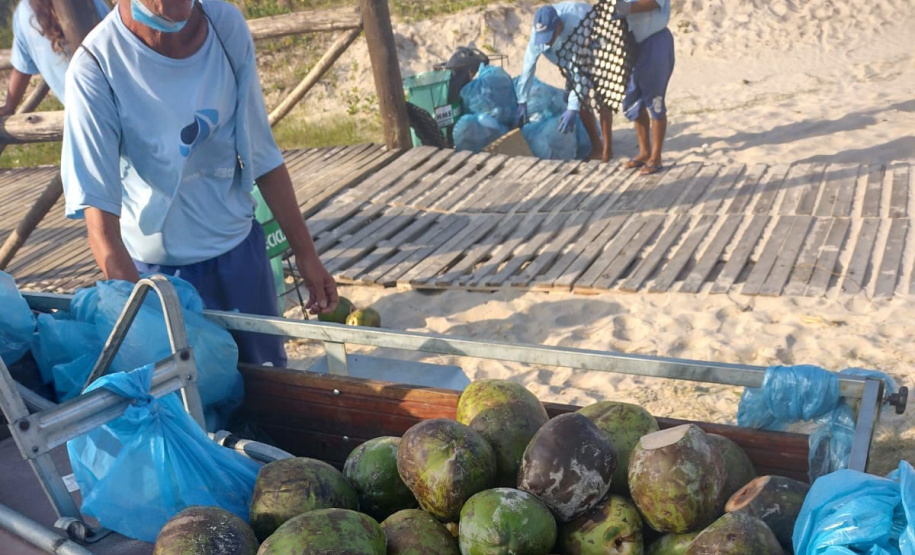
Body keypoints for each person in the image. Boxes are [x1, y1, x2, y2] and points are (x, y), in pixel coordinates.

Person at [60, 0, 338, 368]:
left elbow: (262, 154)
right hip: (161, 277)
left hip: (241, 256)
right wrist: (143, 322)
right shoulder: (95, 68)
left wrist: (306, 253)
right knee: (196, 408)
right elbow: (102, 231)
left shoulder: (225, 26)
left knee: (268, 393)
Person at [516, 2, 614, 162]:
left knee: (600, 96)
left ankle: (607, 150)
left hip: (598, 47)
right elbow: (528, 66)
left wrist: (572, 108)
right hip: (570, 57)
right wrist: (522, 100)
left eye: (549, 37)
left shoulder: (577, 24)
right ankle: (597, 146)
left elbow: (580, 72)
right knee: (580, 101)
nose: (546, 42)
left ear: (559, 25)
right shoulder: (539, 31)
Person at [1, 0, 111, 115]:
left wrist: (9, 106)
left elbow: (22, 69)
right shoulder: (91, 3)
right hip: (114, 105)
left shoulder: (23, 13)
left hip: (78, 117)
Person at [614, 0, 674, 175]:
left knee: (655, 100)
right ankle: (644, 151)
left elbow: (653, 3)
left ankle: (656, 156)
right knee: (633, 98)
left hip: (656, 42)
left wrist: (628, 8)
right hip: (631, 42)